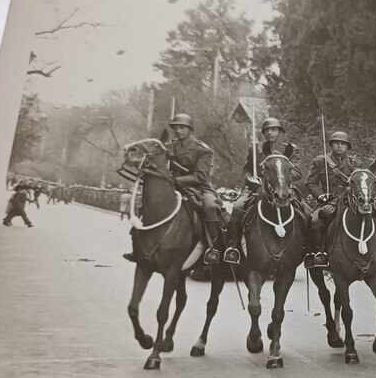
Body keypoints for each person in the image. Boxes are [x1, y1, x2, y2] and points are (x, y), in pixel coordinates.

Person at [123, 113, 228, 266]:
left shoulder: (203, 150)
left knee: (211, 206)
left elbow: (201, 176)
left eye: (182, 127)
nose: (178, 131)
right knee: (147, 205)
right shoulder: (168, 147)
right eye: (176, 128)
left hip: (199, 188)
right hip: (172, 187)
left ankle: (214, 249)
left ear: (189, 129)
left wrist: (175, 180)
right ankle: (138, 247)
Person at [224, 117, 306, 266]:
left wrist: (279, 177)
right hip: (257, 188)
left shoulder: (291, 149)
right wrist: (252, 179)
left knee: (307, 212)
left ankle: (310, 250)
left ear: (280, 131)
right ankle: (233, 247)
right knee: (237, 208)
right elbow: (247, 170)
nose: (270, 133)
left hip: (284, 188)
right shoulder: (255, 148)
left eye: (274, 129)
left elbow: (298, 172)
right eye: (267, 130)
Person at [306, 130, 361, 268]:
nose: (339, 146)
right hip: (327, 201)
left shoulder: (354, 163)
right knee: (316, 221)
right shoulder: (320, 161)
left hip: (349, 202)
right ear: (331, 145)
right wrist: (320, 195)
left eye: (343, 144)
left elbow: (360, 182)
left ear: (348, 147)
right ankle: (320, 254)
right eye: (336, 143)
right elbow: (311, 182)